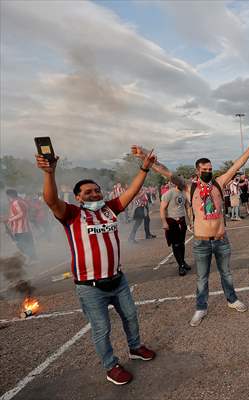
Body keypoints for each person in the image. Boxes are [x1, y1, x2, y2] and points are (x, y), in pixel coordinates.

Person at [34, 151, 156, 385]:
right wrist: (50, 174)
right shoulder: (71, 213)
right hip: (91, 287)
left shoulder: (110, 209)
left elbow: (131, 192)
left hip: (118, 280)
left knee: (131, 316)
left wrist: (144, 169)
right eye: (88, 192)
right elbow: (50, 200)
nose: (94, 194)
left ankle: (135, 347)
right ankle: (111, 366)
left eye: (97, 190)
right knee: (102, 328)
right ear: (78, 197)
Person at [132, 139, 249, 326]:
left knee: (227, 274)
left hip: (221, 239)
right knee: (202, 278)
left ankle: (232, 300)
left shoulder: (219, 183)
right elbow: (167, 172)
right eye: (205, 170)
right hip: (201, 242)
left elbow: (237, 165)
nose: (208, 172)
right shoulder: (188, 187)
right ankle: (201, 308)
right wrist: (146, 157)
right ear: (197, 171)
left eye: (210, 169)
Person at [160, 182, 191, 276]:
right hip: (172, 221)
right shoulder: (170, 193)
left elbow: (187, 207)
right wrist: (164, 222)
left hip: (182, 221)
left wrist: (190, 221)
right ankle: (180, 265)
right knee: (176, 244)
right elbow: (162, 208)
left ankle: (183, 261)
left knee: (182, 243)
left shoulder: (184, 193)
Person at [3, 189, 37, 260]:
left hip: (20, 229)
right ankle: (33, 258)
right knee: (28, 244)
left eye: (7, 196)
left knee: (22, 245)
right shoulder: (20, 201)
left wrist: (9, 219)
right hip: (24, 228)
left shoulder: (16, 202)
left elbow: (21, 213)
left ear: (9, 195)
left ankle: (31, 258)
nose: (7, 198)